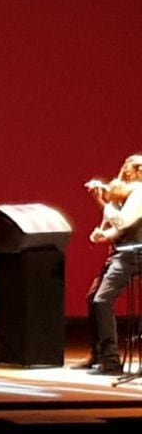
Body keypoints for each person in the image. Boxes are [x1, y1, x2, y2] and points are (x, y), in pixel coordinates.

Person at [77, 153, 142, 375]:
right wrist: (103, 235)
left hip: (133, 255)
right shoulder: (127, 194)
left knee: (102, 300)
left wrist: (107, 205)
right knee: (93, 298)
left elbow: (124, 221)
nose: (123, 172)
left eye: (128, 169)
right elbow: (119, 228)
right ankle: (99, 355)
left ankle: (112, 361)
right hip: (121, 252)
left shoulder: (139, 193)